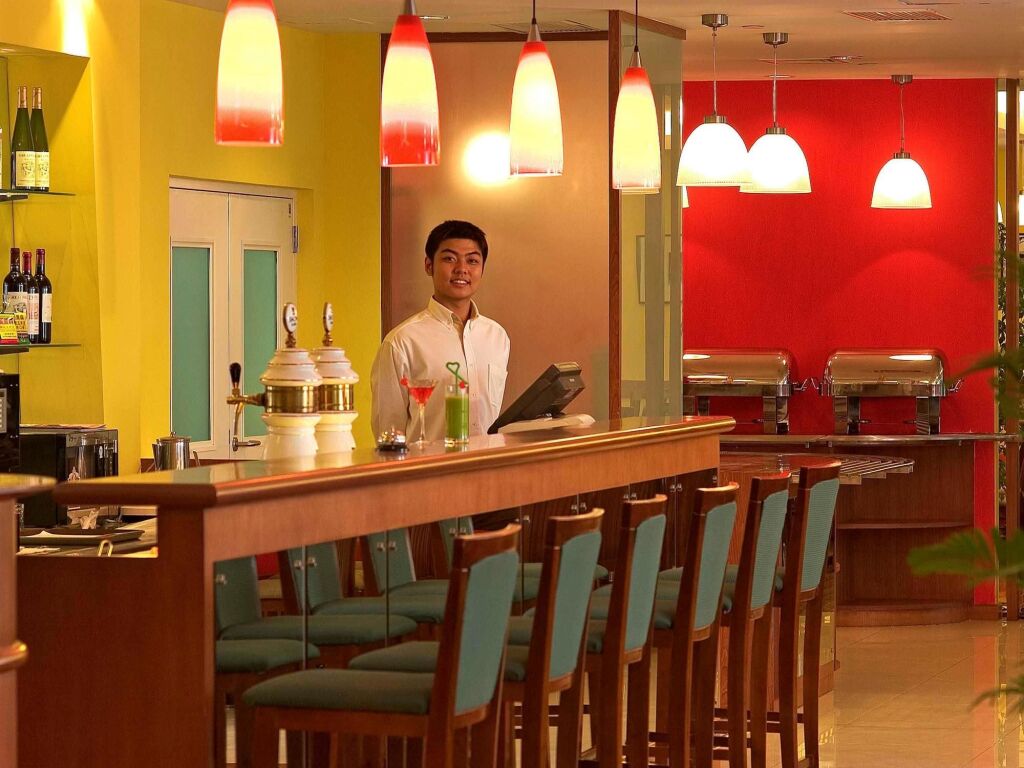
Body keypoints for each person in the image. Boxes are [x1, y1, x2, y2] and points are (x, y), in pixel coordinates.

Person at [371, 220, 510, 443]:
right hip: (430, 464)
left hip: (488, 462)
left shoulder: (497, 337)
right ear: (429, 265)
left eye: (472, 260)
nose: (462, 269)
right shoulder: (402, 341)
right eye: (449, 258)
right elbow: (388, 432)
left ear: (482, 268)